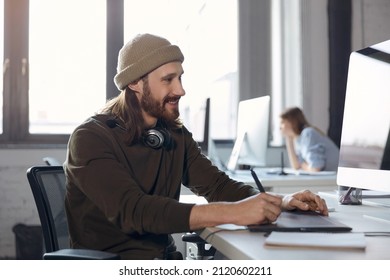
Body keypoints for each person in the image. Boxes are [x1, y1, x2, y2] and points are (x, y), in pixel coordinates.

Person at [64, 33, 329, 260]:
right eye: (168, 80)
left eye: (180, 78)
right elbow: (134, 211)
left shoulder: (173, 134)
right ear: (134, 82)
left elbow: (218, 186)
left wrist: (280, 202)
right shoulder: (90, 138)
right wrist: (233, 213)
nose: (180, 89)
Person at [279, 107, 340, 172]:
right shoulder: (298, 139)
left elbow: (316, 167)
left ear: (292, 122)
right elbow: (296, 166)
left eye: (282, 122)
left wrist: (304, 166)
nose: (280, 127)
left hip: (333, 178)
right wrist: (289, 140)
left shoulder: (308, 134)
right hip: (326, 178)